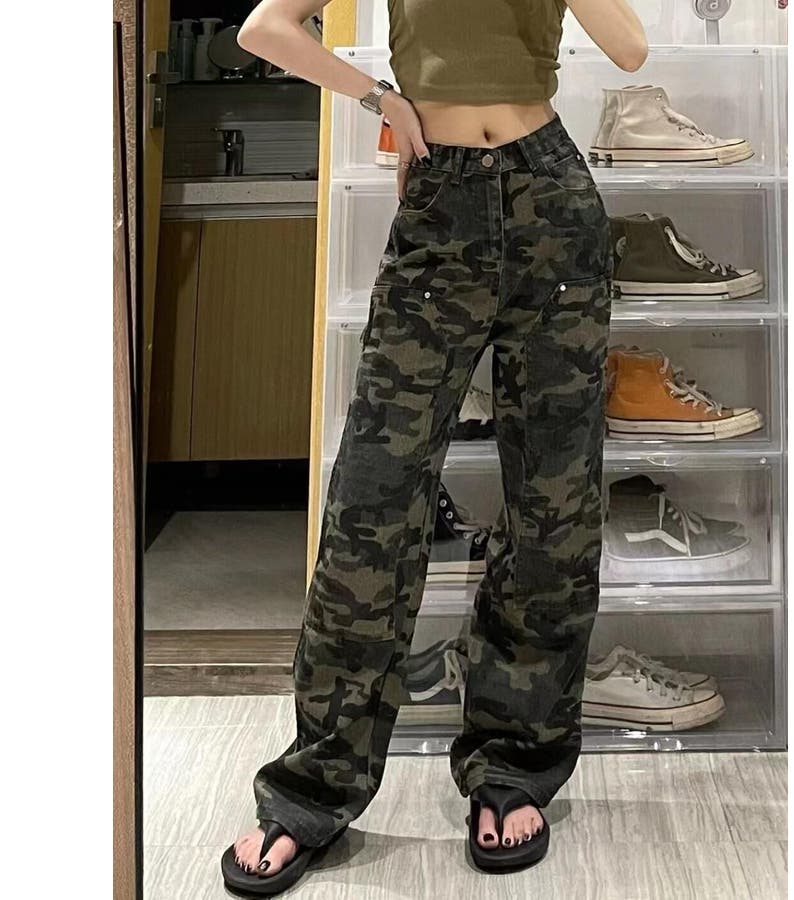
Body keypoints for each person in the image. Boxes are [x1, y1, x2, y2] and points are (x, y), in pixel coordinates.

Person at [221, 0, 647, 893]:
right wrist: (378, 96)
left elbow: (630, 49)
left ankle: (513, 764)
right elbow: (265, 28)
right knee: (372, 503)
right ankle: (312, 788)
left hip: (551, 200)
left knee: (555, 506)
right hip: (441, 209)